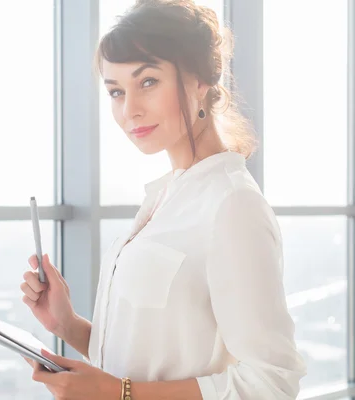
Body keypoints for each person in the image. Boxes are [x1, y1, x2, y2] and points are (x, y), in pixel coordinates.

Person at [19, 0, 307, 398]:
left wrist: (120, 394)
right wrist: (68, 326)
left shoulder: (232, 205)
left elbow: (271, 381)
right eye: (116, 91)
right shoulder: (168, 195)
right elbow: (155, 355)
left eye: (148, 82)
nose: (129, 110)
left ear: (201, 80)